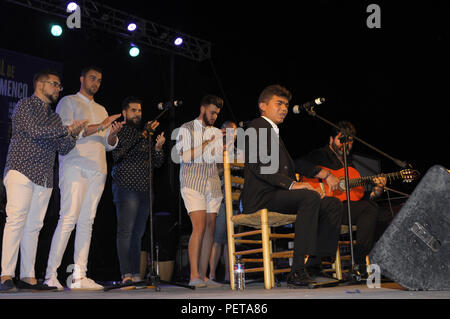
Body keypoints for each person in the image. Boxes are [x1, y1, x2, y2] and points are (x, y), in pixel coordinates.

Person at [240, 84, 343, 288]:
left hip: (276, 194)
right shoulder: (256, 126)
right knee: (309, 196)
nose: (285, 108)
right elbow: (258, 166)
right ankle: (296, 271)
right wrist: (293, 185)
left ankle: (315, 264)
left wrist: (309, 182)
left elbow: (291, 166)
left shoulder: (273, 131)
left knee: (332, 204)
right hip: (261, 196)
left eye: (286, 104)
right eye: (279, 103)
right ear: (263, 105)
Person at [0, 70, 87, 293]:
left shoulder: (55, 117)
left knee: (34, 227)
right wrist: (66, 129)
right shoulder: (24, 105)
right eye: (55, 84)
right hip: (21, 168)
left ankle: (28, 277)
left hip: (45, 176)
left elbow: (64, 148)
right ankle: (6, 275)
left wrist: (73, 134)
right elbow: (34, 131)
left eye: (59, 85)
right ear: (40, 84)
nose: (58, 89)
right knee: (16, 219)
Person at [44, 66, 124, 291]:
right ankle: (50, 275)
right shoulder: (68, 102)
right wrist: (101, 125)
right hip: (74, 165)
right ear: (81, 79)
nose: (96, 83)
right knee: (68, 218)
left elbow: (107, 145)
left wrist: (112, 134)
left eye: (99, 80)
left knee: (87, 222)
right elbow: (68, 131)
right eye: (92, 78)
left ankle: (79, 276)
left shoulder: (101, 108)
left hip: (98, 169)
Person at [297, 121, 390, 277]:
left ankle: (375, 262)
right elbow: (298, 165)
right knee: (369, 209)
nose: (345, 144)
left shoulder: (349, 164)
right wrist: (326, 175)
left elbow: (358, 196)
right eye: (342, 139)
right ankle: (358, 264)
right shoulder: (320, 154)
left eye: (350, 140)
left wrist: (377, 190)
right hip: (323, 205)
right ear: (331, 140)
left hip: (344, 207)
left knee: (382, 214)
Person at [111, 97, 166, 284]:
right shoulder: (122, 132)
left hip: (145, 189)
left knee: (138, 234)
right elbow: (119, 154)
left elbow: (157, 163)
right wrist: (144, 134)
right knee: (126, 232)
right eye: (134, 110)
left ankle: (135, 274)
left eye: (140, 111)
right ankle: (125, 274)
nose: (138, 114)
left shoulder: (145, 135)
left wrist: (158, 148)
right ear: (125, 113)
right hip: (127, 187)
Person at [176, 95, 225, 288]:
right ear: (203, 108)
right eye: (212, 112)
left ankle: (204, 276)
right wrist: (206, 142)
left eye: (217, 114)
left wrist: (225, 151)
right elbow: (185, 156)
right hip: (192, 182)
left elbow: (218, 166)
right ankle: (194, 275)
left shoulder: (216, 132)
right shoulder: (186, 128)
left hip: (212, 183)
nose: (214, 116)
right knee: (199, 226)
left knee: (210, 228)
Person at [208, 121, 243, 283]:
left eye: (234, 132)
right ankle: (212, 275)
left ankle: (230, 275)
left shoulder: (239, 153)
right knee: (218, 239)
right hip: (219, 200)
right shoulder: (215, 150)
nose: (231, 135)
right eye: (228, 131)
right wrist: (222, 168)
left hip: (236, 201)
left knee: (232, 240)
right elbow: (209, 174)